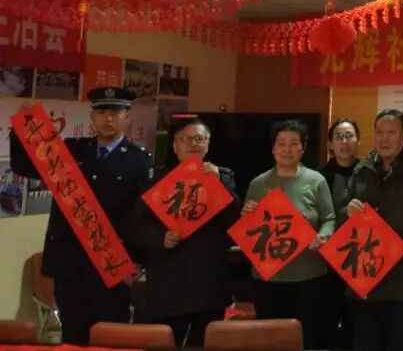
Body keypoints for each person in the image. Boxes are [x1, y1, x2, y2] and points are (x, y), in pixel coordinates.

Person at [8, 87, 153, 345]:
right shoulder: (72, 151)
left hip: (112, 265)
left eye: (116, 112)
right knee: (73, 336)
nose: (108, 118)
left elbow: (143, 217)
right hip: (70, 262)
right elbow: (23, 165)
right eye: (102, 112)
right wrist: (22, 127)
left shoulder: (139, 161)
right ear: (93, 117)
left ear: (128, 117)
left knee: (109, 337)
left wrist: (137, 259)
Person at [129, 118, 241, 348]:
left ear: (208, 144)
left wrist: (219, 184)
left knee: (205, 344)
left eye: (199, 138)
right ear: (175, 146)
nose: (193, 144)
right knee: (164, 343)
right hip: (168, 282)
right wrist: (160, 237)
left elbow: (235, 223)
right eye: (186, 139)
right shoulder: (156, 181)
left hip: (209, 281)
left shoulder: (223, 177)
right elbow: (135, 229)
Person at [345, 109, 403, 351]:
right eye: (379, 132)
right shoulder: (362, 169)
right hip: (366, 278)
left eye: (391, 133)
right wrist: (347, 210)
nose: (384, 138)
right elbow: (345, 221)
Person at [242, 119, 336, 349]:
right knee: (271, 341)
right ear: (273, 148)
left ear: (303, 148)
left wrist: (323, 236)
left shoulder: (316, 180)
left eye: (294, 143)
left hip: (308, 274)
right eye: (281, 143)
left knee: (309, 338)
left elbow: (329, 218)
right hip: (269, 278)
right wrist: (246, 216)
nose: (287, 149)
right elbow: (249, 230)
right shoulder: (258, 184)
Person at [319, 117, 361, 350]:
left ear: (358, 141)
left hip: (362, 258)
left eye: (349, 136)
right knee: (327, 323)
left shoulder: (369, 172)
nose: (344, 142)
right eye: (339, 137)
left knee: (358, 324)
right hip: (328, 262)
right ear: (330, 144)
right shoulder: (319, 177)